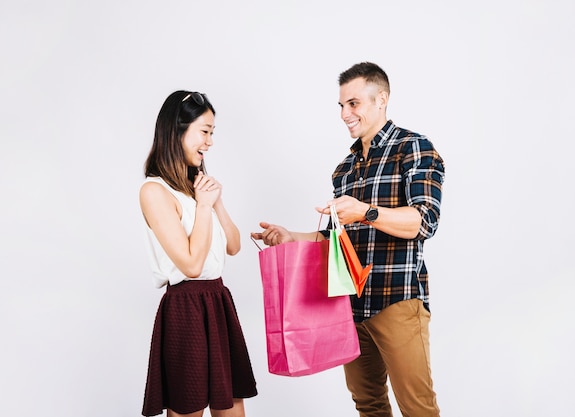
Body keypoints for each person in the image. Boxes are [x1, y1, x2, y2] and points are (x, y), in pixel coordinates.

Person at [252, 62, 444, 417]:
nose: (345, 114)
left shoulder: (413, 149)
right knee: (368, 404)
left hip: (397, 300)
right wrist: (291, 237)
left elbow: (424, 221)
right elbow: (340, 240)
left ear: (381, 99)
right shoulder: (344, 168)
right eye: (341, 105)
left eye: (353, 103)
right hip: (349, 307)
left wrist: (366, 211)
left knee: (417, 408)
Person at [140, 90, 257, 417]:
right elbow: (191, 265)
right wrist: (204, 206)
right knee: (187, 408)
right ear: (177, 131)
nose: (209, 142)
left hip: (217, 301)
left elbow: (233, 246)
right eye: (204, 131)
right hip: (185, 308)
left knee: (233, 408)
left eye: (212, 133)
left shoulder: (196, 188)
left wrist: (214, 200)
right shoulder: (154, 191)